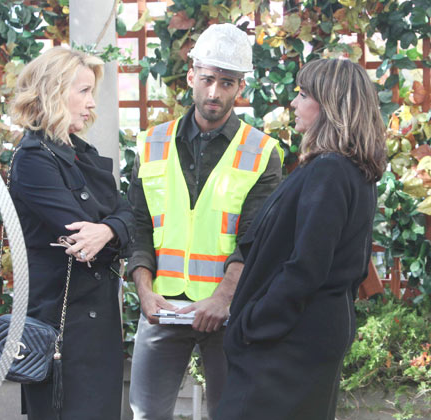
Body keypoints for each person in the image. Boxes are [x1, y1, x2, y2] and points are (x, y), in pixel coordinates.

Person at [214, 58, 387, 420]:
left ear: (331, 106)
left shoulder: (330, 170)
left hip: (289, 342)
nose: (294, 103)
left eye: (304, 94)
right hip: (306, 333)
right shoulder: (348, 169)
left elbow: (307, 266)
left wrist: (253, 323)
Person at [127, 23, 283, 420]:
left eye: (226, 83)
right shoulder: (151, 144)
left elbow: (255, 236)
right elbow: (139, 224)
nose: (214, 92)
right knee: (146, 413)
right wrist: (144, 291)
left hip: (229, 311)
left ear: (240, 87)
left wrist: (223, 298)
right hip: (162, 307)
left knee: (232, 414)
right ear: (192, 75)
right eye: (209, 79)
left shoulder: (263, 152)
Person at [8, 46, 134, 419]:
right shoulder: (33, 159)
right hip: (60, 333)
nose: (91, 103)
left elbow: (129, 215)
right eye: (83, 91)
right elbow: (80, 237)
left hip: (97, 329)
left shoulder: (82, 153)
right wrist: (115, 228)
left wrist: (109, 229)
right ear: (52, 91)